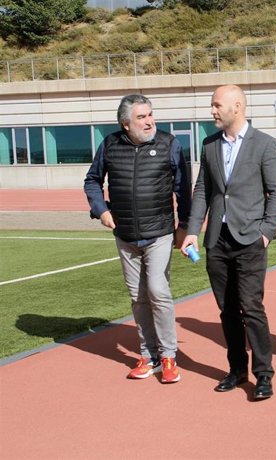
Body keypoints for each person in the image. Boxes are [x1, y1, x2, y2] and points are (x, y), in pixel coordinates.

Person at [180, 84, 276, 400]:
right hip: (218, 241)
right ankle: (237, 370)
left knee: (251, 308)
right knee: (227, 311)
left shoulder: (265, 144)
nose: (212, 111)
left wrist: (266, 232)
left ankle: (263, 374)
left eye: (216, 105)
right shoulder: (209, 144)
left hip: (251, 239)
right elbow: (203, 191)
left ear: (236, 106)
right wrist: (192, 232)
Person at [84, 94, 191, 383]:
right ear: (125, 123)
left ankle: (169, 356)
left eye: (151, 115)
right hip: (125, 235)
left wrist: (185, 226)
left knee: (157, 290)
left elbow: (184, 190)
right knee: (138, 297)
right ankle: (150, 356)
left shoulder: (169, 144)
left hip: (159, 233)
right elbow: (92, 180)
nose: (149, 121)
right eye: (142, 117)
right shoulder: (110, 144)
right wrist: (101, 209)